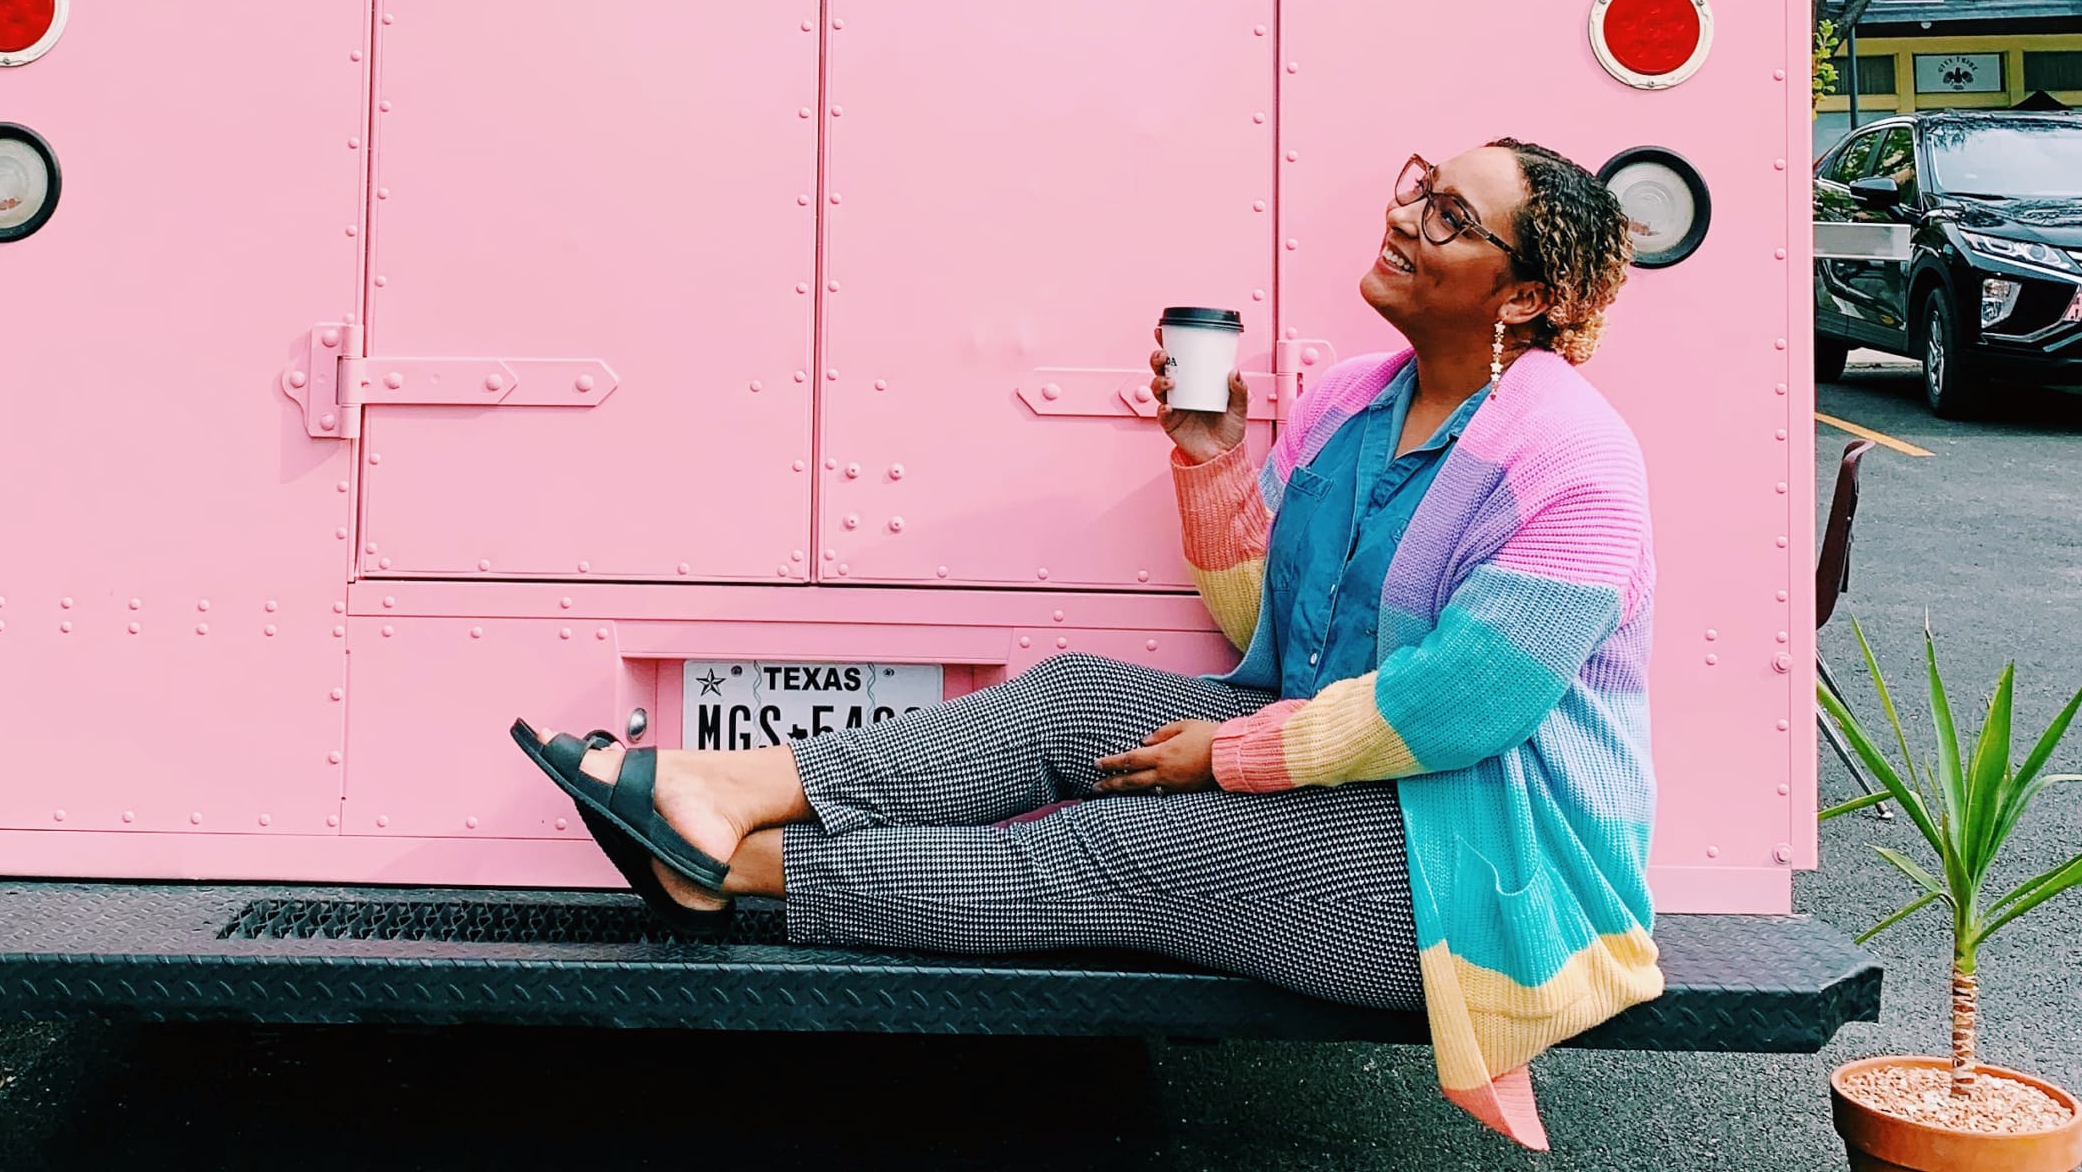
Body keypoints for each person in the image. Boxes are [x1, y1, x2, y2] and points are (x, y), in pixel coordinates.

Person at [514, 139, 1658, 1151]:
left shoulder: (1573, 460)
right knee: (1066, 699)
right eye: (1421, 188)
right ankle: (715, 794)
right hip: (1346, 784)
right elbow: (1267, 627)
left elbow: (1461, 704)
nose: (1408, 216)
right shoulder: (1356, 400)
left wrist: (1224, 758)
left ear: (1525, 296)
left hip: (1483, 868)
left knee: (1123, 849)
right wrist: (1210, 452)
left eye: (1453, 216)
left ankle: (737, 869)